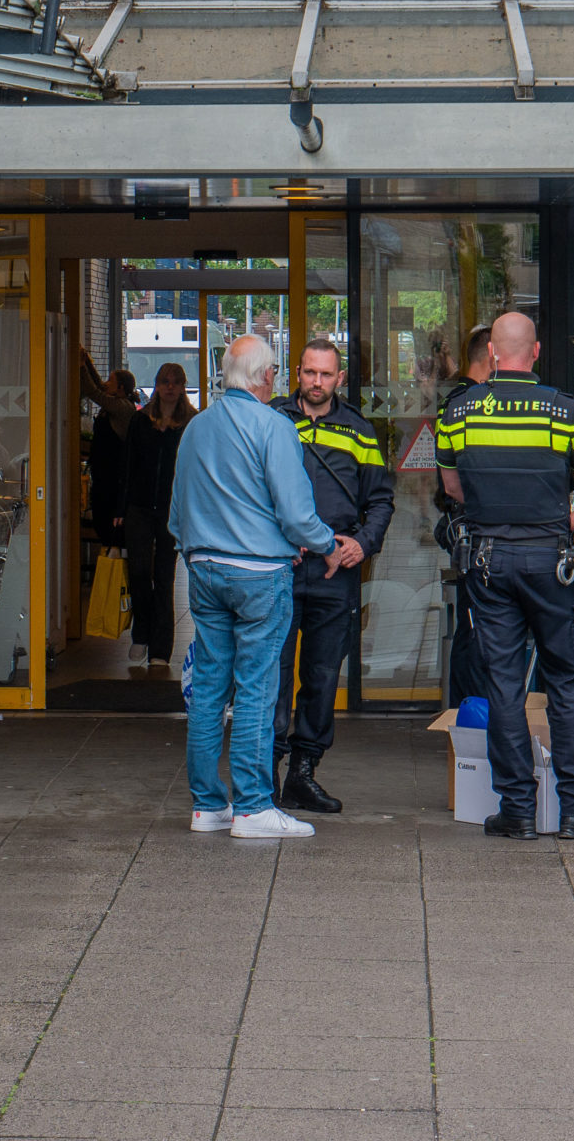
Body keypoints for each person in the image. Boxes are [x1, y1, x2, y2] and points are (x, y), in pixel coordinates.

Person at [436, 312, 574, 841]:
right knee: (569, 679)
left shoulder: (460, 410)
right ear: (535, 353)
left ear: (492, 353)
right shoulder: (564, 410)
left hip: (489, 561)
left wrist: (496, 507)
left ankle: (516, 809)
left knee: (503, 686)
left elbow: (453, 488)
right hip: (551, 561)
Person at [170, 335, 344, 840]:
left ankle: (207, 805)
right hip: (260, 576)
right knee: (256, 690)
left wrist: (198, 554)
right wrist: (326, 544)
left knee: (207, 689)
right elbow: (296, 513)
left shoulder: (196, 428)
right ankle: (251, 807)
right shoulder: (274, 426)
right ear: (267, 376)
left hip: (204, 571)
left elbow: (177, 514)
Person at [270, 340, 395, 814]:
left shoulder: (360, 431)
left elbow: (381, 500)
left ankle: (303, 775)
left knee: (321, 678)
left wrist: (361, 544)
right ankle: (267, 778)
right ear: (296, 374)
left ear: (339, 379)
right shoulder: (274, 420)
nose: (317, 383)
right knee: (274, 677)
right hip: (280, 568)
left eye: (326, 375)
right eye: (309, 374)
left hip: (333, 572)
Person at [438, 323, 496, 707]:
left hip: (465, 529)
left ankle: (466, 713)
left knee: (471, 627)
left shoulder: (455, 398)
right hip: (474, 529)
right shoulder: (471, 403)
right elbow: (459, 479)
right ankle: (470, 714)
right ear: (493, 356)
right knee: (476, 631)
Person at [123, 362, 193, 666]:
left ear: (182, 387)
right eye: (165, 381)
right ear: (157, 384)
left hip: (172, 510)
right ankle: (141, 634)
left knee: (164, 577)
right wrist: (119, 508)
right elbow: (127, 466)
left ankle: (161, 650)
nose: (170, 387)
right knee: (138, 573)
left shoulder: (191, 423)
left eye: (176, 382)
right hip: (139, 506)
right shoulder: (141, 422)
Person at [80, 354, 137, 550]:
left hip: (113, 479)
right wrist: (86, 361)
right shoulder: (116, 403)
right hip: (102, 475)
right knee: (100, 519)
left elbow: (95, 392)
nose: (106, 384)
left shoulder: (122, 407)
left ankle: (115, 566)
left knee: (106, 522)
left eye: (110, 381)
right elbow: (100, 387)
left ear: (120, 388)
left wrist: (81, 367)